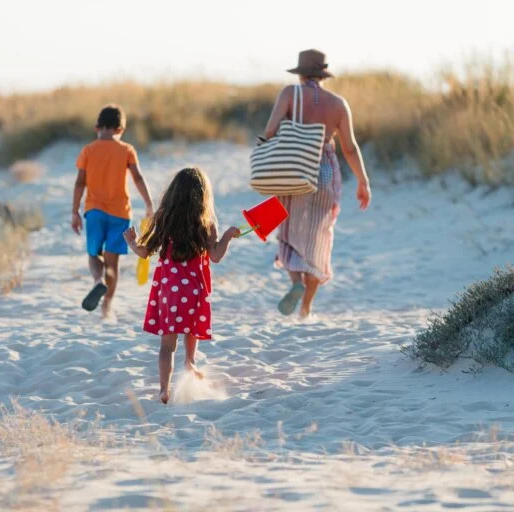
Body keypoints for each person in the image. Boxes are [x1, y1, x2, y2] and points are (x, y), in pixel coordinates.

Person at [262, 49, 371, 318]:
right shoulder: (338, 104)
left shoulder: (289, 94)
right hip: (324, 172)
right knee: (319, 238)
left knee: (288, 231)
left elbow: (269, 131)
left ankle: (296, 283)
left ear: (300, 73)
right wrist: (363, 182)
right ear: (323, 74)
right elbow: (349, 148)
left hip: (294, 170)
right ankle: (307, 306)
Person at [124, 167, 240, 404]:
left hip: (170, 291)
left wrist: (131, 242)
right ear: (203, 197)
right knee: (191, 330)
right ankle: (190, 363)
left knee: (167, 346)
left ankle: (164, 389)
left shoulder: (164, 221)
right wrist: (227, 235)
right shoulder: (206, 225)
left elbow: (144, 252)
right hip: (194, 291)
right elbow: (215, 256)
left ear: (172, 194)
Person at [72, 105, 154, 319]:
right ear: (121, 129)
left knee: (93, 254)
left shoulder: (88, 150)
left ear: (97, 127)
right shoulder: (127, 150)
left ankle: (98, 282)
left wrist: (74, 212)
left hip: (95, 211)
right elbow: (138, 178)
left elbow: (80, 182)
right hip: (120, 212)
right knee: (112, 261)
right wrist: (148, 204)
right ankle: (107, 307)